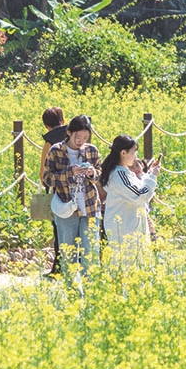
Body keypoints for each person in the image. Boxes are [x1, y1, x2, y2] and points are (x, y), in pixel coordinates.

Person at [42, 114, 101, 287]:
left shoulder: (92, 150)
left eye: (85, 137)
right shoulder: (55, 150)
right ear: (68, 132)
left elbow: (100, 174)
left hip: (90, 208)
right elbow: (47, 178)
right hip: (67, 210)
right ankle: (72, 295)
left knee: (91, 254)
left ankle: (91, 295)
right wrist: (70, 173)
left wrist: (92, 173)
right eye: (78, 137)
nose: (81, 141)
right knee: (68, 256)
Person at [99, 134, 160, 250]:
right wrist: (152, 177)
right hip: (125, 229)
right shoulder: (119, 174)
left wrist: (150, 173)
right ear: (123, 153)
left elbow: (138, 187)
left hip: (129, 227)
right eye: (133, 152)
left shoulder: (124, 172)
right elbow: (139, 195)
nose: (135, 156)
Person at [39, 106, 66, 276]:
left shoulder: (49, 143)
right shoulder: (76, 137)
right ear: (63, 120)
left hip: (57, 193)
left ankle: (58, 267)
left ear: (46, 125)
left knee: (58, 229)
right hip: (79, 191)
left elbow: (43, 174)